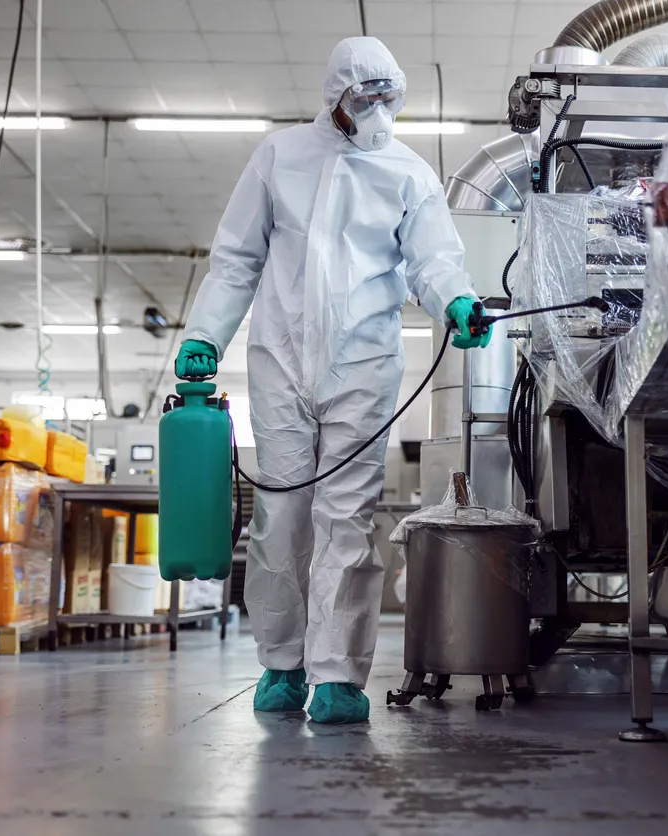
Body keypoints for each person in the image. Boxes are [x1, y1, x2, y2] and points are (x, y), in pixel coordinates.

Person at [174, 37, 491, 725]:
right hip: (281, 361)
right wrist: (204, 335)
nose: (378, 108)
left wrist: (456, 301)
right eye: (365, 96)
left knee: (345, 521)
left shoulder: (409, 174)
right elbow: (235, 259)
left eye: (388, 95)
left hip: (364, 364)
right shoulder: (279, 158)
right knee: (281, 518)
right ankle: (281, 664)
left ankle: (340, 677)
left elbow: (434, 261)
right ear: (337, 98)